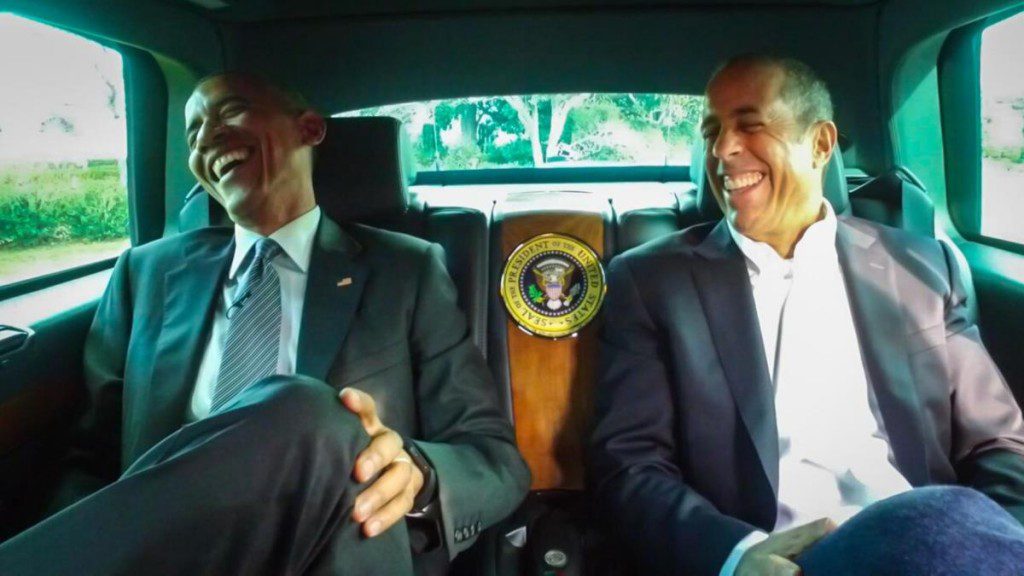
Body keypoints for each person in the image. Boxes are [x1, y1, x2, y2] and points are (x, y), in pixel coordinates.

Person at [0, 72, 530, 575]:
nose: (206, 137)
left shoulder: (406, 271)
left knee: (316, 413)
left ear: (310, 129)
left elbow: (494, 460)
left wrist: (418, 474)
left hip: (328, 547)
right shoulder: (146, 274)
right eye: (192, 132)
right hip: (168, 554)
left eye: (230, 111)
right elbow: (90, 459)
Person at [589, 54, 1024, 576]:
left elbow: (997, 442)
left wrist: (996, 540)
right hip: (782, 558)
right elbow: (630, 462)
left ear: (820, 144)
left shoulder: (922, 267)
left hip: (936, 539)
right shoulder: (653, 282)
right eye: (712, 132)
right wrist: (734, 555)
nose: (722, 150)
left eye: (750, 124)